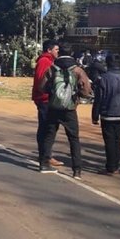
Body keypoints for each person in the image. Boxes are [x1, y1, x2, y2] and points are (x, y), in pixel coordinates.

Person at [39, 42, 92, 179]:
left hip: (53, 107)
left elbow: (42, 87)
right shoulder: (77, 70)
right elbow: (86, 91)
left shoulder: (52, 68)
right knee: (74, 139)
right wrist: (77, 95)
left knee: (49, 135)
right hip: (69, 108)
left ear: (60, 52)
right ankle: (77, 171)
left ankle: (44, 164)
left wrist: (52, 92)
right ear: (71, 53)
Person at [91, 54, 120, 175]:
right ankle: (115, 166)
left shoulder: (103, 78)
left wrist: (95, 115)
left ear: (108, 64)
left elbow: (98, 99)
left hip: (107, 113)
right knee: (117, 140)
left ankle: (111, 167)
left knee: (109, 140)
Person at [31, 39, 64, 168]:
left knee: (49, 128)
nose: (58, 52)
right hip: (44, 100)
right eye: (56, 49)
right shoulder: (45, 61)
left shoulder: (49, 61)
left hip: (46, 99)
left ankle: (46, 154)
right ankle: (45, 156)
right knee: (46, 128)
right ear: (49, 50)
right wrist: (47, 93)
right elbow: (41, 81)